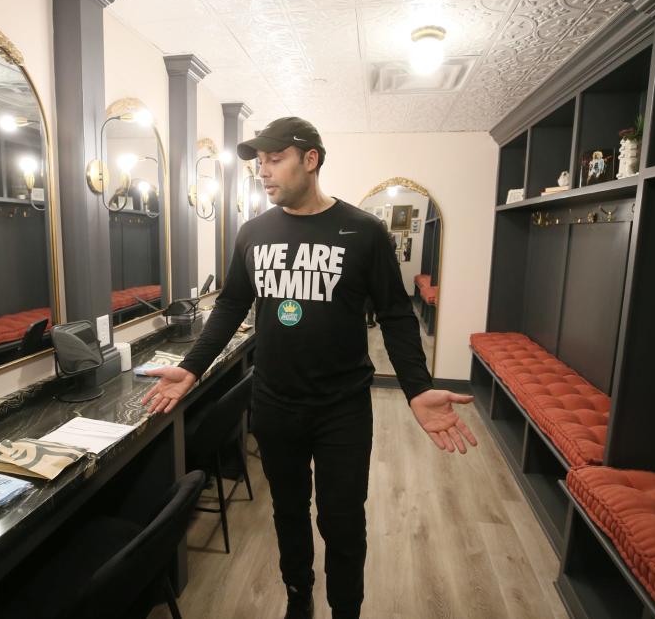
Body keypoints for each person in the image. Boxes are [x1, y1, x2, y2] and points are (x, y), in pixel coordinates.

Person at [142, 117, 477, 619]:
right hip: (275, 404)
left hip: (342, 408)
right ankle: (299, 599)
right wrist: (190, 369)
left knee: (342, 523)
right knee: (289, 513)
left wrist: (417, 389)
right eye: (259, 163)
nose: (263, 172)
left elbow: (395, 314)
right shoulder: (253, 233)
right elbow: (232, 306)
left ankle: (346, 611)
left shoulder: (363, 231)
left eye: (274, 160)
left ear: (311, 159)